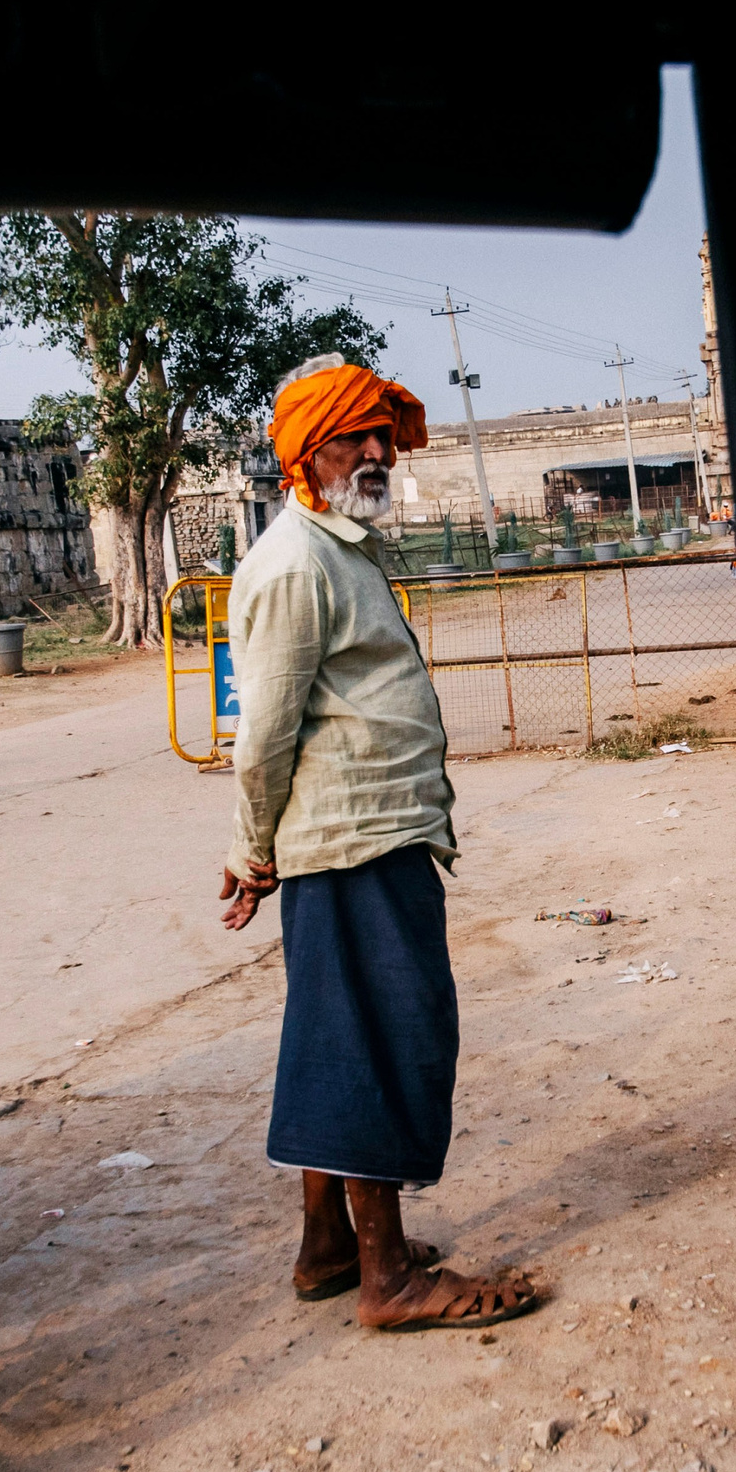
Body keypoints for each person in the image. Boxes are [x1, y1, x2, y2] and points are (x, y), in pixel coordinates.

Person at [218, 354, 537, 1332]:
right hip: (349, 841)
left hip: (374, 833)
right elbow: (262, 731)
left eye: (380, 434)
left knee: (337, 1035)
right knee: (381, 1040)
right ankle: (389, 1278)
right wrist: (251, 851)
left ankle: (327, 1252)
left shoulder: (340, 546)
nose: (377, 449)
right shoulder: (292, 564)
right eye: (354, 436)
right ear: (306, 455)